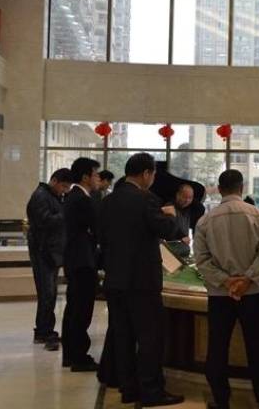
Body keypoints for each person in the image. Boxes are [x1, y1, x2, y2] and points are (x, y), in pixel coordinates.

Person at [98, 153, 185, 407]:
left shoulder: (107, 201)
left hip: (114, 279)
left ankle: (129, 389)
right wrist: (170, 215)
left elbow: (100, 236)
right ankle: (152, 391)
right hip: (142, 281)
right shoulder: (146, 199)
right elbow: (168, 231)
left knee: (122, 336)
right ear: (146, 173)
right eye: (153, 174)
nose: (153, 178)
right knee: (150, 338)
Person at [194, 170, 259, 409]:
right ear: (241, 188)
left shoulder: (205, 221)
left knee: (217, 347)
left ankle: (221, 398)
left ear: (220, 189)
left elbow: (201, 260)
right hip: (254, 293)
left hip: (220, 295)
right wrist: (247, 279)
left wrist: (226, 281)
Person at [61, 157, 101, 371]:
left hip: (75, 259)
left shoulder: (74, 196)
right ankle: (78, 356)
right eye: (96, 174)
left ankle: (70, 354)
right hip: (82, 260)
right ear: (86, 177)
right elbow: (97, 227)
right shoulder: (81, 199)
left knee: (73, 308)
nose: (98, 178)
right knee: (81, 310)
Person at [26, 168, 73, 350]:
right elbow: (44, 222)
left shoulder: (52, 196)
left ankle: (45, 330)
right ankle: (43, 332)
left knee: (50, 294)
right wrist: (64, 214)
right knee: (47, 294)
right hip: (43, 252)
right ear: (54, 181)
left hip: (51, 253)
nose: (64, 190)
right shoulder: (41, 196)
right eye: (63, 186)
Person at [166, 183, 195, 259]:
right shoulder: (169, 207)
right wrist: (182, 236)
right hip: (171, 250)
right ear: (177, 195)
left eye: (190, 198)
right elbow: (170, 227)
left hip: (183, 251)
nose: (187, 200)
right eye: (184, 197)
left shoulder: (187, 210)